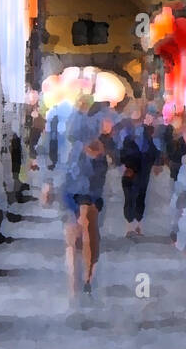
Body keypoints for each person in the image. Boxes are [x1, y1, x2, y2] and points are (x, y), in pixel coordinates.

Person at [57, 91, 113, 302]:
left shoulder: (72, 127)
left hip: (79, 185)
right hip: (83, 186)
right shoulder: (88, 132)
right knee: (87, 233)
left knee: (78, 236)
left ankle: (78, 283)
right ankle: (85, 279)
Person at [119, 105, 160, 237]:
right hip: (130, 170)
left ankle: (137, 224)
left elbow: (152, 150)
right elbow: (120, 152)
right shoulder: (126, 133)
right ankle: (130, 224)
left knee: (140, 196)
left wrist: (154, 162)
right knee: (130, 196)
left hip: (142, 169)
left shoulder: (147, 134)